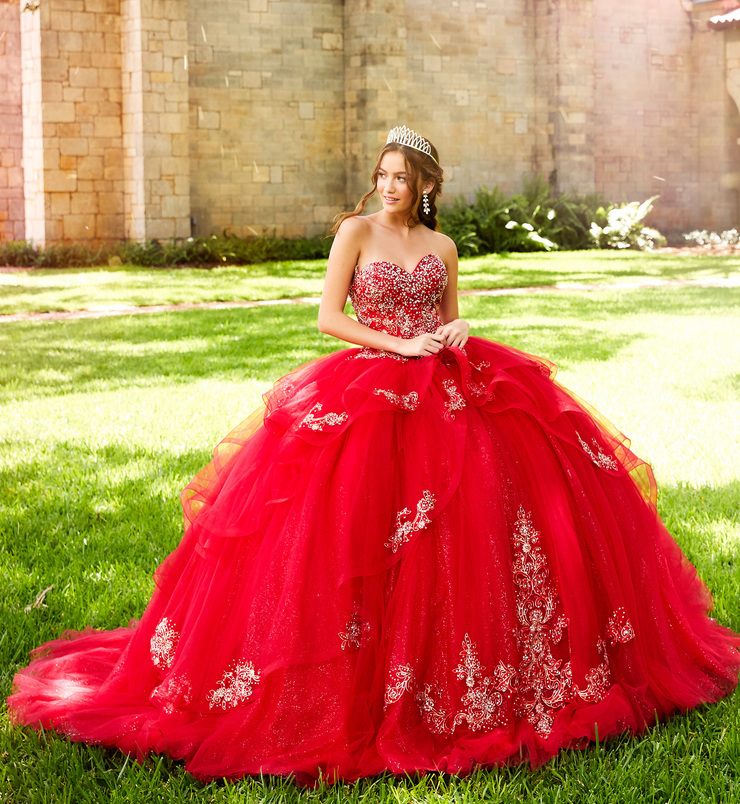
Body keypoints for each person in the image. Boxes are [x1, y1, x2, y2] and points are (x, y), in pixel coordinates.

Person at [8, 126, 740, 785]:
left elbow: (449, 317)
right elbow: (330, 318)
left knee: (483, 520)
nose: (389, 187)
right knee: (347, 529)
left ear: (425, 186)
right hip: (372, 383)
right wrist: (400, 344)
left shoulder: (444, 247)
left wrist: (452, 334)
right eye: (382, 175)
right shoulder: (355, 232)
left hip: (449, 385)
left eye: (402, 178)